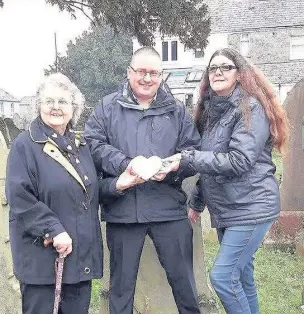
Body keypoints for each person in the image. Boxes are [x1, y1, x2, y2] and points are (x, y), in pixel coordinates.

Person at [166, 48, 289, 314]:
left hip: (252, 206)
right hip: (229, 208)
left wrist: (186, 158)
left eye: (226, 67)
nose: (218, 72)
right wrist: (197, 201)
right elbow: (212, 162)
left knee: (222, 277)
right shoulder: (212, 111)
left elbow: (238, 161)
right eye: (213, 68)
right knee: (242, 277)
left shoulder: (250, 108)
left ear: (239, 73)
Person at [85, 46, 202, 314]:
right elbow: (93, 143)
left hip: (168, 209)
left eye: (154, 73)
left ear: (161, 76)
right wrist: (126, 164)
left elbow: (192, 151)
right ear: (129, 73)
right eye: (141, 72)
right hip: (124, 212)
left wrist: (172, 167)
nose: (147, 78)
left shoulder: (176, 110)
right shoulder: (107, 107)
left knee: (184, 286)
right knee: (121, 291)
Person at [6, 73, 105, 314]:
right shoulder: (25, 145)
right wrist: (54, 228)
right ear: (38, 105)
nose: (56, 107)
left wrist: (120, 184)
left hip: (79, 261)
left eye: (62, 101)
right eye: (49, 101)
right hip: (43, 262)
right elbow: (21, 198)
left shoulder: (80, 146)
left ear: (74, 107)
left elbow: (89, 192)